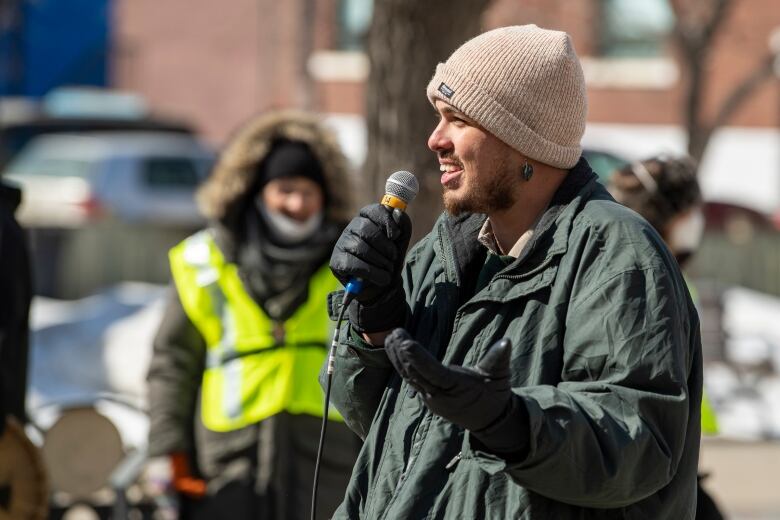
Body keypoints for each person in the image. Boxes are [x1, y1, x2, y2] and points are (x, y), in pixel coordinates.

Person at [326, 25, 702, 518]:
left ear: (523, 140)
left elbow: (638, 444)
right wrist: (376, 321)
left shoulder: (616, 252)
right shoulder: (442, 252)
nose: (434, 139)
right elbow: (378, 425)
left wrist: (511, 422)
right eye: (438, 117)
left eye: (458, 119)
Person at [146, 110, 361, 519]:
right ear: (257, 191)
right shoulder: (203, 262)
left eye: (308, 191)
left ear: (327, 194)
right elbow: (172, 365)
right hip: (227, 465)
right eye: (285, 189)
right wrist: (166, 452)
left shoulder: (353, 264)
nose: (297, 204)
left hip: (325, 465)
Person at [608, 155, 724, 520]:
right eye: (693, 211)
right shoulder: (650, 277)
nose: (697, 223)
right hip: (649, 470)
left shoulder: (641, 266)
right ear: (674, 216)